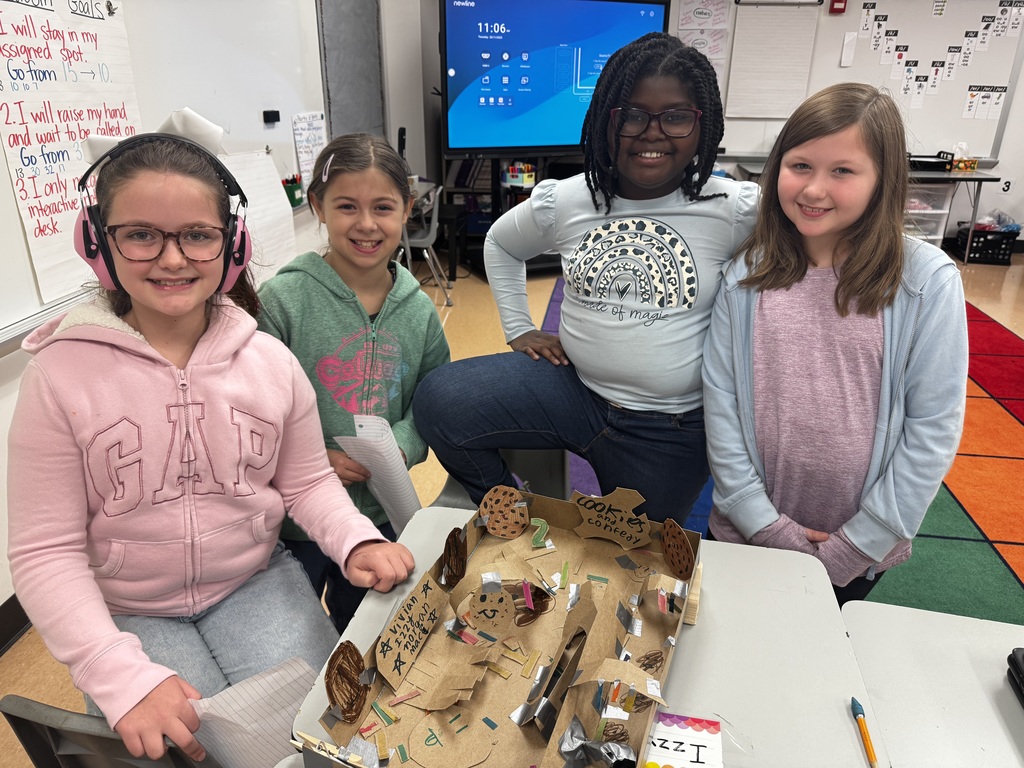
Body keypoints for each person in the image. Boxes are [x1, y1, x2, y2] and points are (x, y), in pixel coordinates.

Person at [6, 133, 415, 761]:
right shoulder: (59, 377)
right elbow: (45, 550)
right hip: (129, 611)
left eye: (197, 235)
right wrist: (115, 671)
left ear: (233, 244)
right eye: (141, 234)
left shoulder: (270, 363)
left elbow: (305, 482)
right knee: (192, 750)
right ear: (98, 243)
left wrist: (354, 538)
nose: (172, 259)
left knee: (322, 734)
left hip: (255, 583)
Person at [413, 33, 758, 525]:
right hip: (574, 391)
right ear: (604, 121)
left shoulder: (734, 209)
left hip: (668, 429)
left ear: (703, 127)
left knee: (638, 557)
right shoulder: (570, 200)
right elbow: (502, 243)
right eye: (631, 115)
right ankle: (513, 512)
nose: (651, 132)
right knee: (439, 401)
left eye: (676, 116)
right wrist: (518, 327)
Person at [702, 83, 968, 605]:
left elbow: (933, 427)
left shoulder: (925, 281)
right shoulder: (744, 279)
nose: (814, 190)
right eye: (800, 165)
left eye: (842, 171)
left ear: (882, 180)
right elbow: (723, 406)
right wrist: (764, 526)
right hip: (745, 531)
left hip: (859, 548)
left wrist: (859, 543)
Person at [257, 133, 450, 632]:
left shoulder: (420, 310)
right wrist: (312, 460)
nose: (366, 224)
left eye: (383, 207)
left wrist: (401, 444)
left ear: (408, 209)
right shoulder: (282, 301)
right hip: (292, 519)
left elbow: (434, 397)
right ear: (318, 207)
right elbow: (251, 409)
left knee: (363, 629)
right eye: (347, 206)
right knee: (294, 633)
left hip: (380, 510)